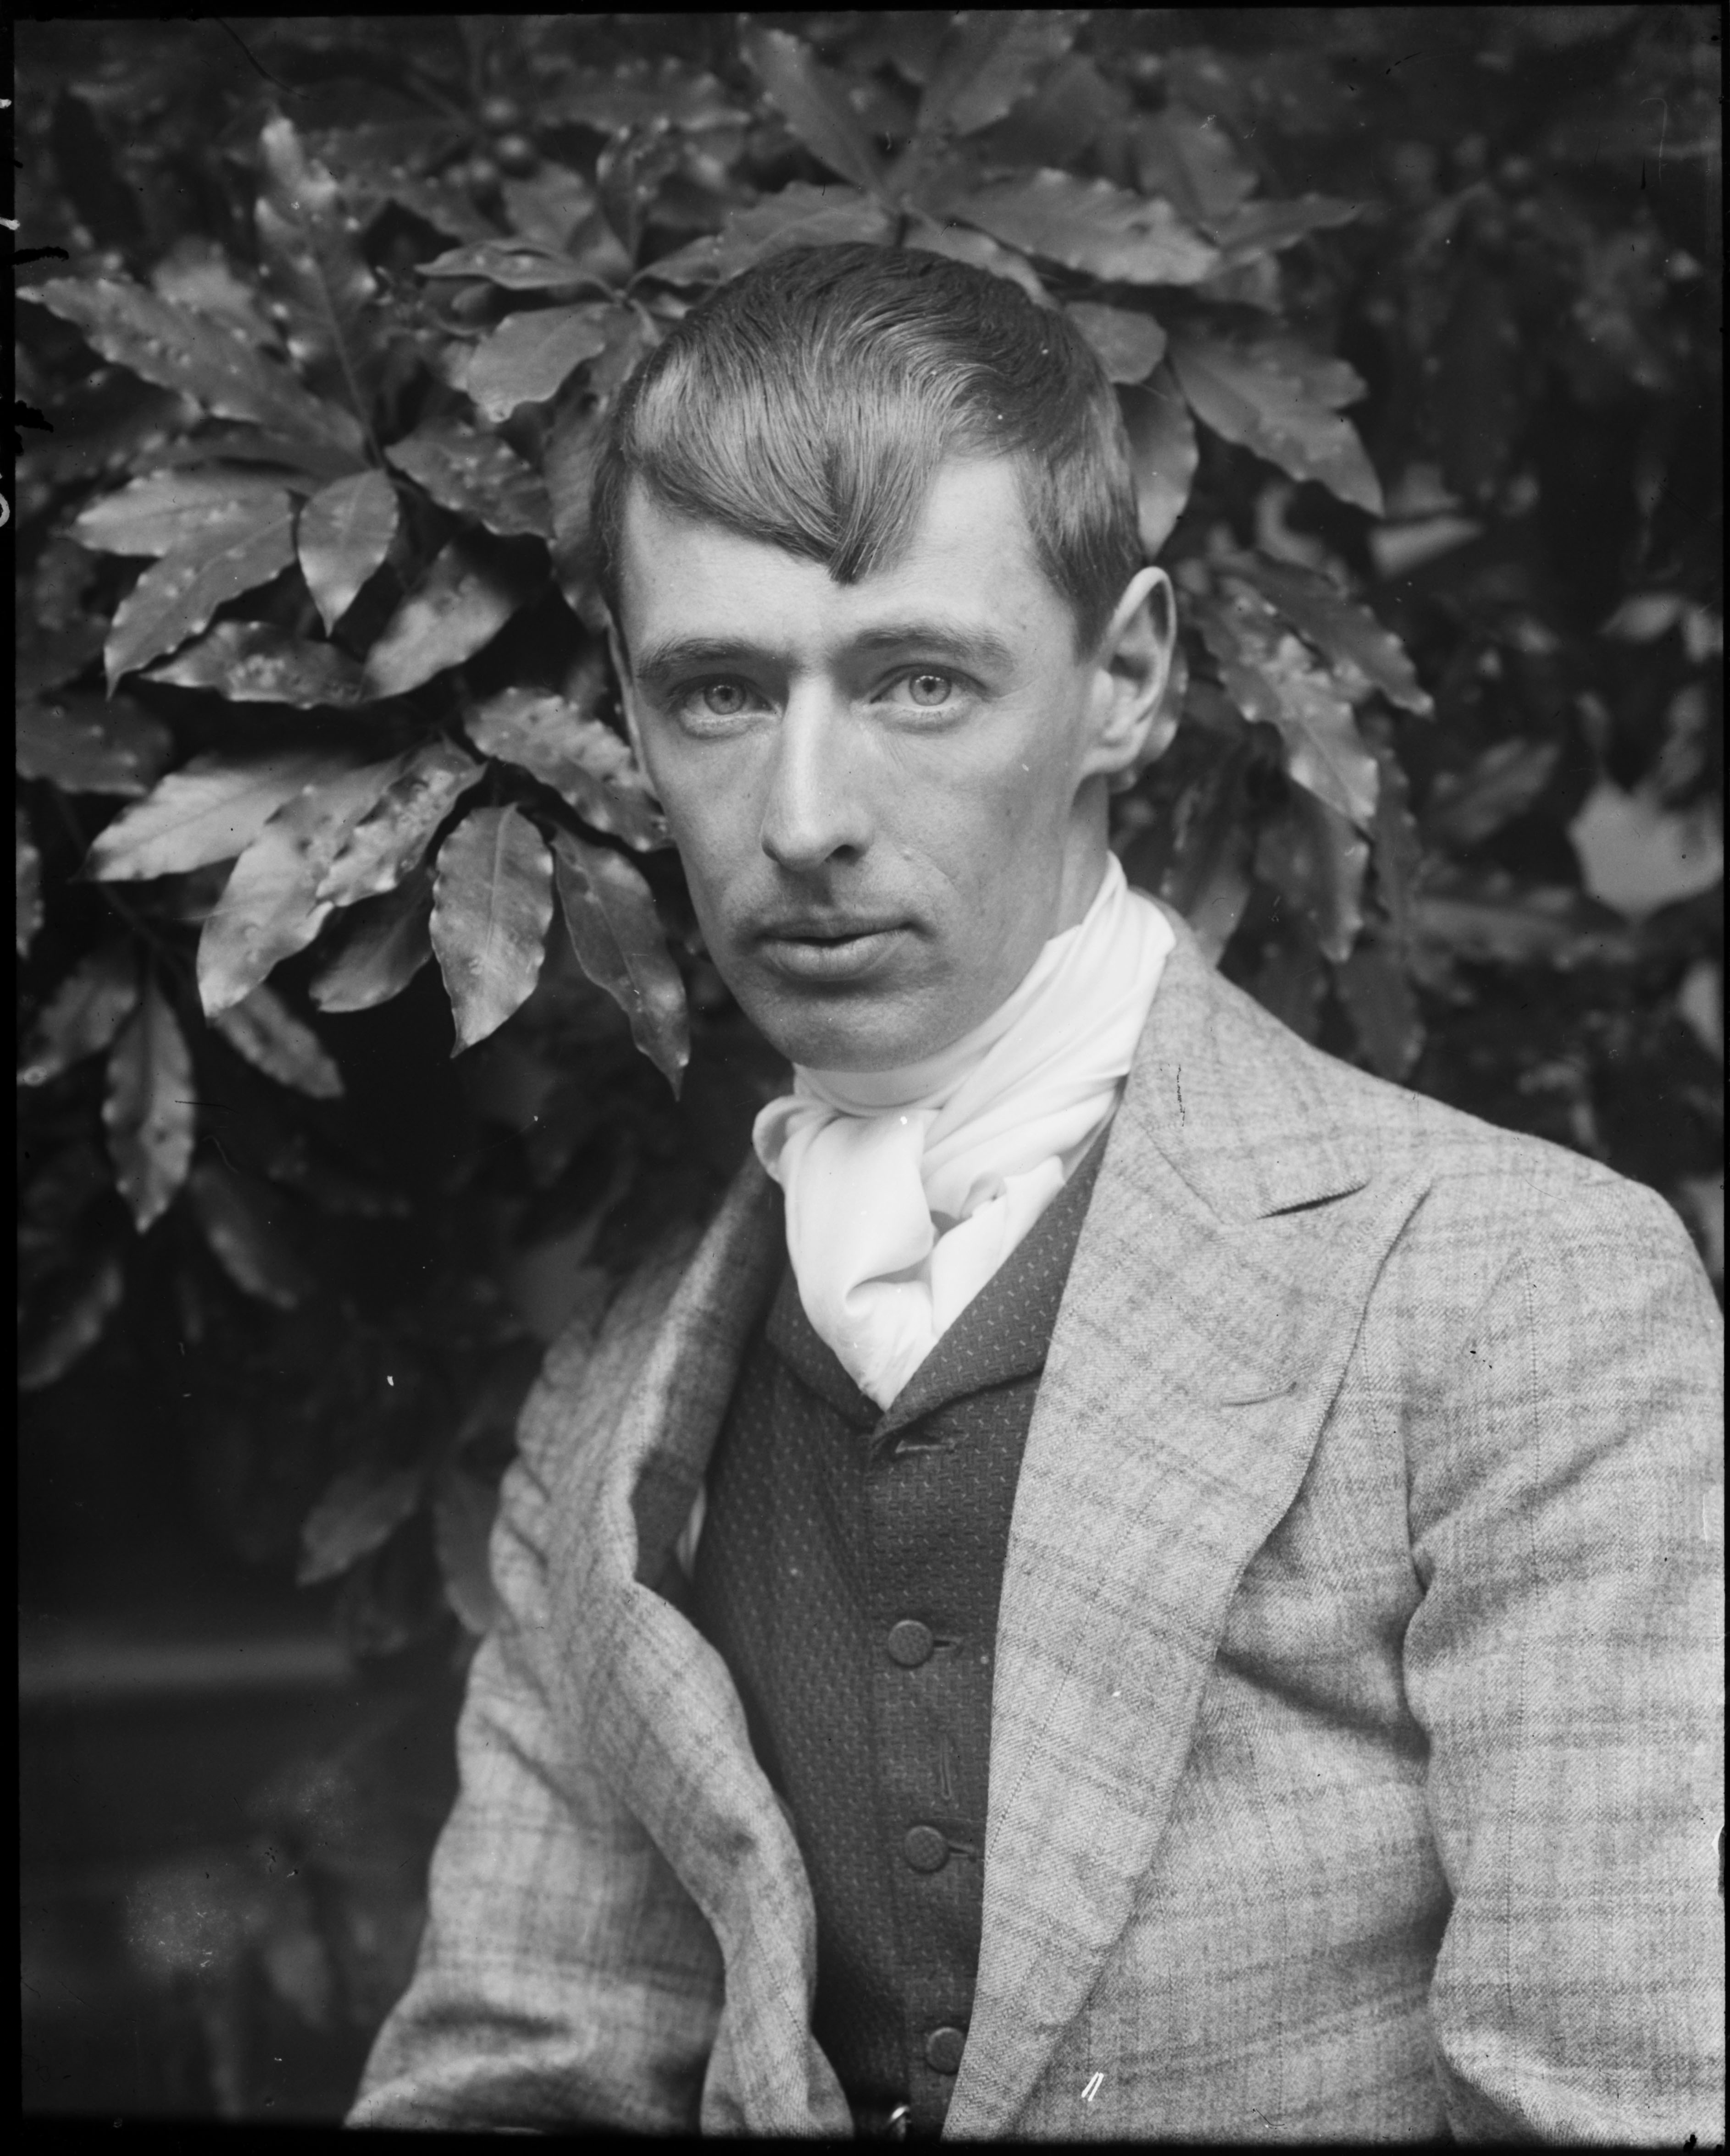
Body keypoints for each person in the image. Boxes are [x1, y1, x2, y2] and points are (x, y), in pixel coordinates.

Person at [348, 245, 1723, 2142]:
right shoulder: (613, 1400)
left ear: (1125, 684)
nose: (808, 813)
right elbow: (514, 2073)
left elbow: (1619, 2107)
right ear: (636, 723)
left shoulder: (1518, 1293)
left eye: (920, 680)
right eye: (721, 692)